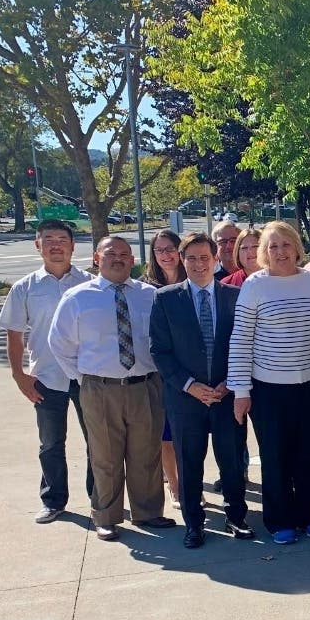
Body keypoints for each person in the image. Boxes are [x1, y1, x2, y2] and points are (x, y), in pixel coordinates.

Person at [47, 236, 176, 541]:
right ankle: (106, 517)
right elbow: (59, 343)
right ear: (97, 258)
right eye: (110, 253)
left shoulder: (150, 295)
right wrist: (83, 379)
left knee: (147, 455)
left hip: (145, 387)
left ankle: (148, 512)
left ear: (132, 260)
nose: (118, 258)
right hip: (99, 388)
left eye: (124, 254)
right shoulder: (78, 297)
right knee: (105, 457)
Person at [227, 221, 310, 545]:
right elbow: (241, 340)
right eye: (272, 246)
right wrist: (241, 392)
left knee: (308, 453)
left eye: (286, 244)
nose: (280, 252)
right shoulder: (255, 285)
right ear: (264, 252)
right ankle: (280, 520)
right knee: (275, 456)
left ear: (297, 247)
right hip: (268, 388)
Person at [149, 233, 255, 548]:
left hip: (226, 397)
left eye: (204, 258)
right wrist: (190, 386)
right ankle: (194, 524)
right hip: (186, 399)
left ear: (215, 259)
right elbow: (159, 351)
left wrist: (230, 383)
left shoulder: (236, 296)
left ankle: (237, 517)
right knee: (189, 463)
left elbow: (246, 344)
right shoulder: (166, 299)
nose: (199, 264)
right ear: (183, 260)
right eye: (192, 258)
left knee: (232, 461)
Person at [0, 219, 94, 523]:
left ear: (73, 245)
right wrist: (19, 375)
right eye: (48, 239)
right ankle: (53, 500)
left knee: (97, 442)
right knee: (51, 443)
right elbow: (14, 334)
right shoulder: (25, 287)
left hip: (87, 377)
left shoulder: (90, 283)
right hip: (46, 378)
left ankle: (101, 499)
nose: (56, 245)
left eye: (62, 239)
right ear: (38, 245)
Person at [143, 229, 187, 510]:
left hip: (192, 371)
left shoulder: (195, 279)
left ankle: (192, 481)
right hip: (159, 373)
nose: (165, 255)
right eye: (159, 250)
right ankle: (175, 485)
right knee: (167, 434)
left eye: (170, 248)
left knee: (189, 435)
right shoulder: (144, 289)